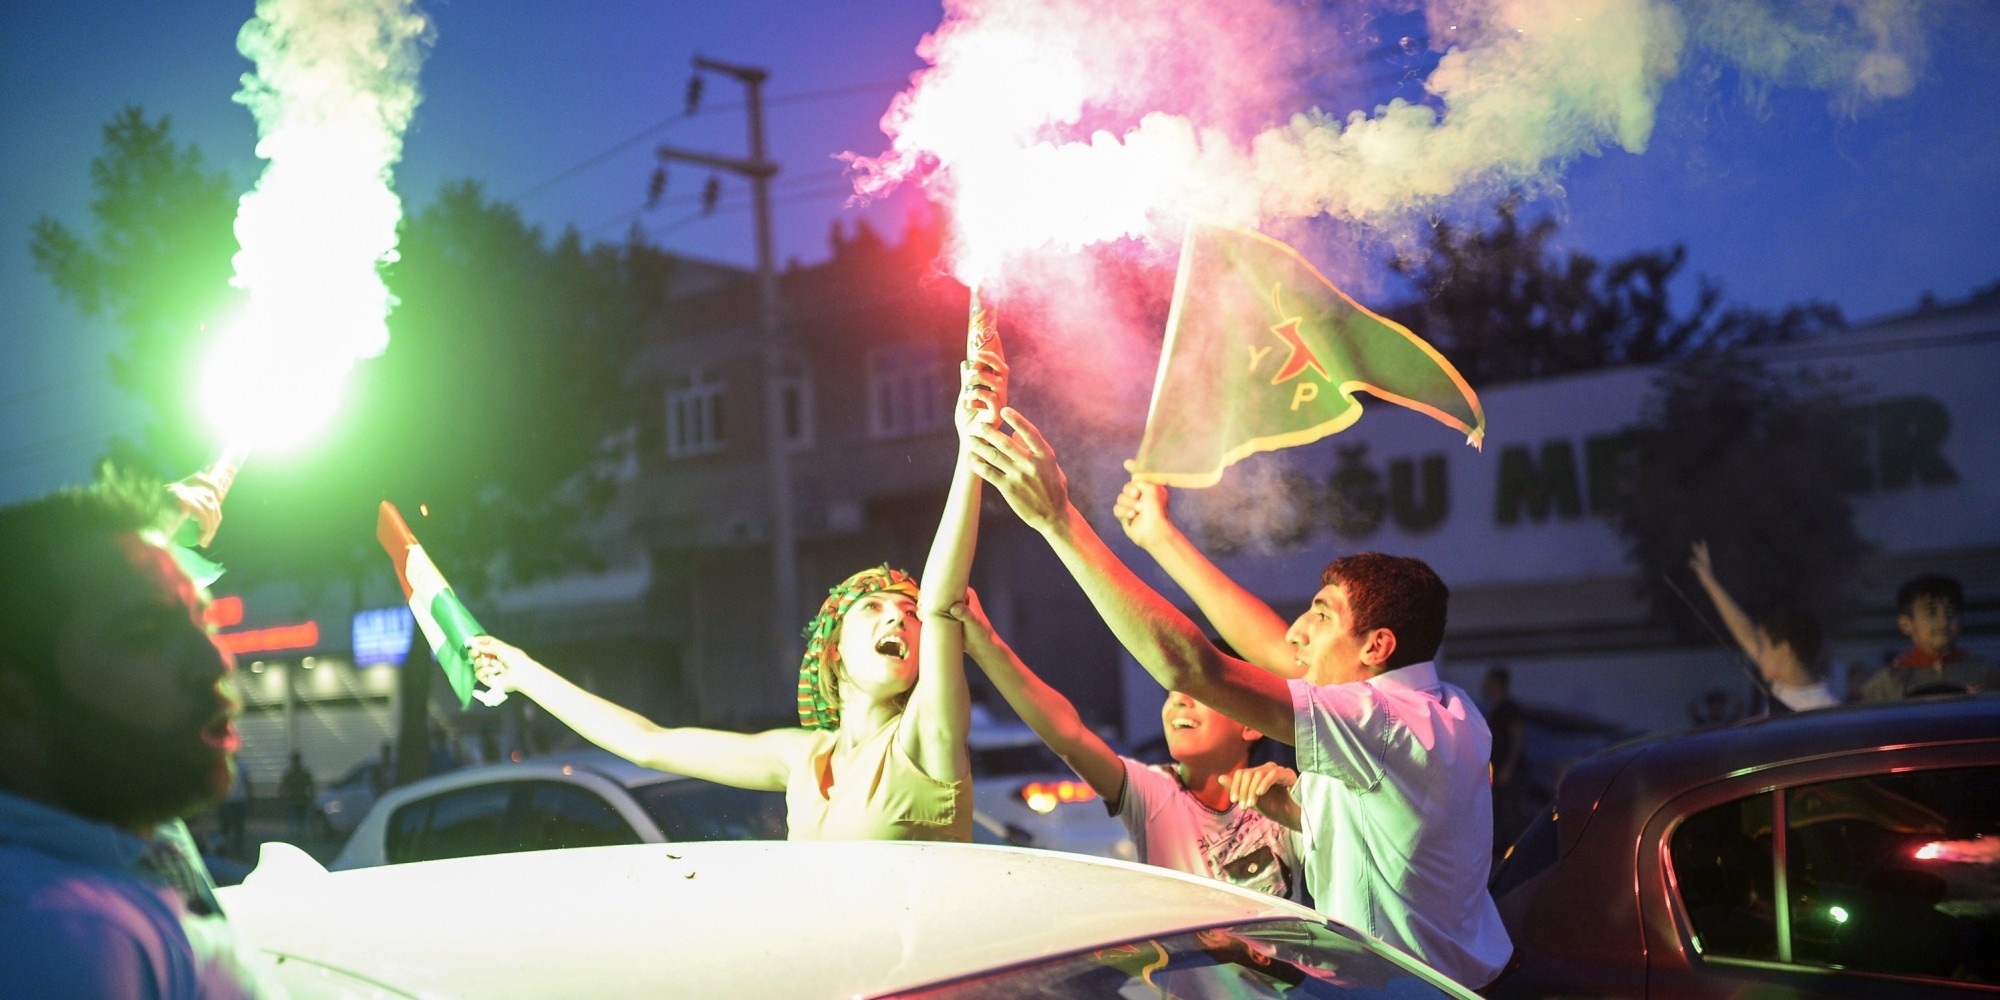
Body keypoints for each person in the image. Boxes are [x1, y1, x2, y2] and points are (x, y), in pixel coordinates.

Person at [964, 405, 1512, 990]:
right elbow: (1273, 649)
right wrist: (1159, 538)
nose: (1297, 632)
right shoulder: (1448, 708)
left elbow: (1194, 667)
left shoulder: (1379, 720)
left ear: (1377, 645)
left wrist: (1059, 521)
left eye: (1321, 615)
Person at [470, 347, 1008, 841]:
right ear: (833, 650)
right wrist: (521, 674)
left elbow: (942, 602)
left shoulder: (925, 738)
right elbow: (648, 744)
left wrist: (970, 449)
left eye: (908, 613)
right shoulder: (802, 758)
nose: (898, 619)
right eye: (872, 607)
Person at [0, 469, 278, 996]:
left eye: (201, 620)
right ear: (15, 713)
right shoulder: (64, 938)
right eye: (146, 635)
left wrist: (150, 539)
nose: (214, 659)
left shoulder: (113, 829)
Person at [946, 590, 1303, 899]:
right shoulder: (1152, 792)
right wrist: (985, 644)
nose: (1179, 701)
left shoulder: (1289, 799)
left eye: (1200, 692)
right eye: (1173, 691)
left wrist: (1299, 811)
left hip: (1295, 981)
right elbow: (1068, 735)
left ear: (1251, 724)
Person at [1687, 541, 1839, 711]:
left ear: (1784, 651)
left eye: (1764, 646)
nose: (1759, 653)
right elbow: (1745, 634)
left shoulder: (1823, 710)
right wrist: (1709, 581)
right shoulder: (1786, 685)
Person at [1860, 573, 2000, 700]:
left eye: (1951, 611)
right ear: (1906, 625)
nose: (1944, 621)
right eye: (1931, 613)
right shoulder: (1887, 681)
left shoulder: (1986, 674)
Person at [278, 751, 315, 840]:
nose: (296, 762)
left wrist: (311, 797)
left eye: (297, 760)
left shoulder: (304, 773)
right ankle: (294, 838)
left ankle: (301, 838)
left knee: (302, 821)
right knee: (293, 822)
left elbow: (311, 786)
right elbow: (282, 787)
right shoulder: (289, 774)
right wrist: (282, 798)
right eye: (294, 760)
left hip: (302, 800)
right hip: (292, 801)